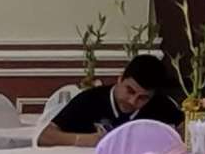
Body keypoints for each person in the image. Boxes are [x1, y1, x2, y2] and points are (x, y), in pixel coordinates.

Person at [39, 52, 179, 145]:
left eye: (142, 98)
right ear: (120, 78)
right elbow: (45, 136)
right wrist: (82, 140)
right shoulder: (90, 99)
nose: (132, 101)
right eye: (129, 91)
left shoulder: (160, 104)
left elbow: (186, 132)